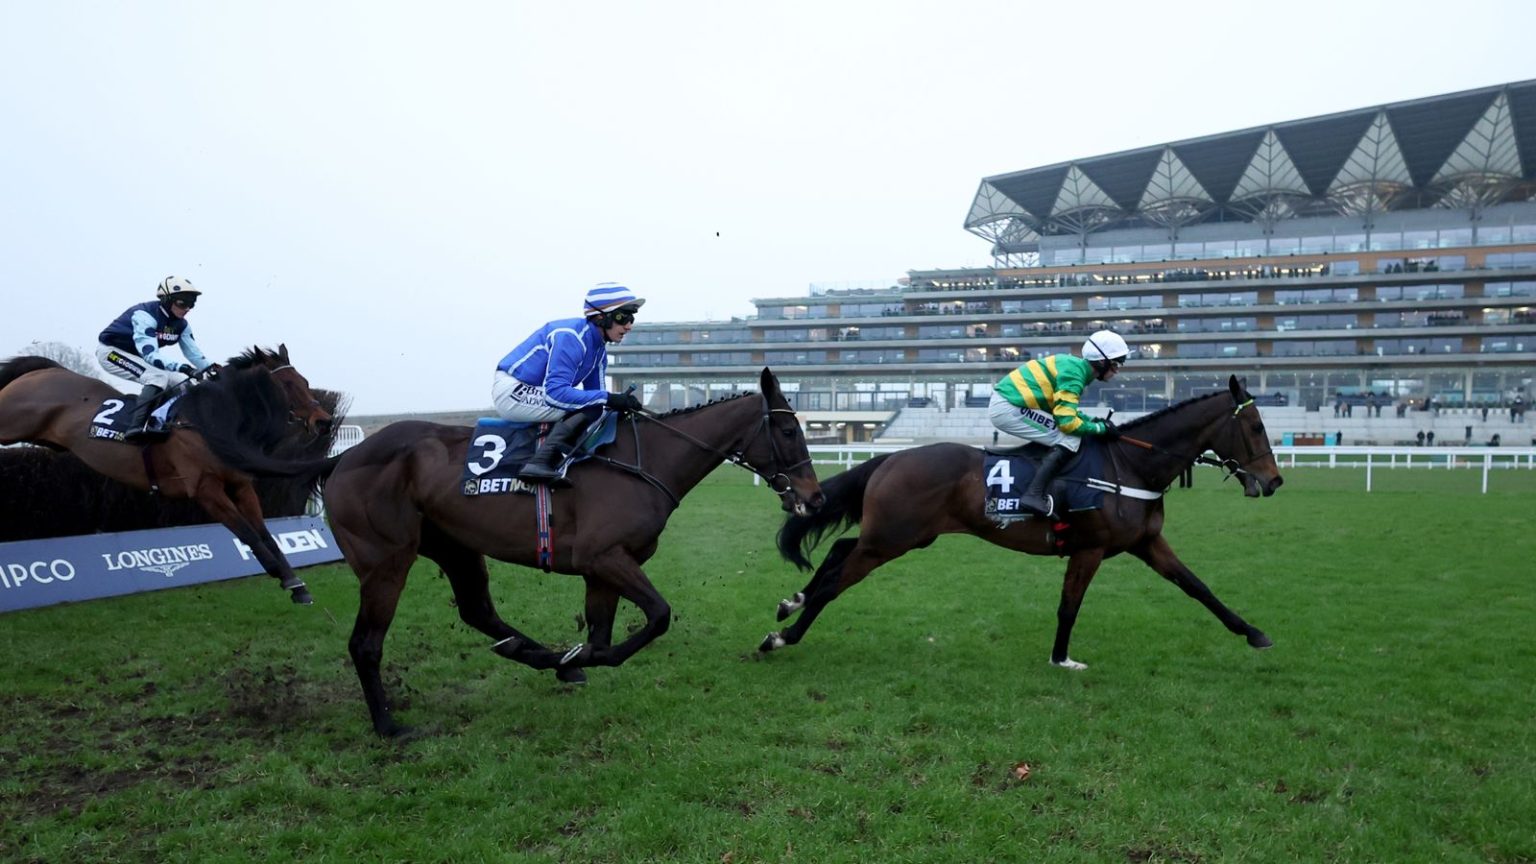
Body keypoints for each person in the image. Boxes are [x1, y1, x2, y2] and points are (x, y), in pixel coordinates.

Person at [492, 282, 646, 485]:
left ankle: (567, 459)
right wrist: (609, 398)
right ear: (600, 317)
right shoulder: (571, 337)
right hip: (513, 389)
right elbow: (555, 394)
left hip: (538, 391)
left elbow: (598, 397)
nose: (628, 325)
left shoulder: (599, 351)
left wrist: (621, 403)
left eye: (631, 318)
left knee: (599, 410)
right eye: (622, 317)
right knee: (592, 407)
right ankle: (538, 464)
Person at [988, 329, 1128, 517]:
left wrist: (1092, 421)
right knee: (1070, 439)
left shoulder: (1075, 367)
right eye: (1115, 364)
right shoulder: (1074, 374)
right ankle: (1033, 494)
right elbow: (1067, 423)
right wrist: (1100, 428)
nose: (1117, 370)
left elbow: (1065, 411)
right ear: (1102, 362)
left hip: (1012, 403)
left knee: (1071, 435)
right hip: (1009, 407)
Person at [96, 276, 214, 441]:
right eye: (183, 303)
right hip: (111, 352)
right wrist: (184, 367)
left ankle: (160, 421)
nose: (187, 308)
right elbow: (151, 355)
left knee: (185, 384)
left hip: (137, 357)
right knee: (158, 377)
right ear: (166, 300)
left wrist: (214, 369)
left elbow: (194, 355)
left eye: (191, 303)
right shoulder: (144, 315)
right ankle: (136, 427)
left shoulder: (182, 325)